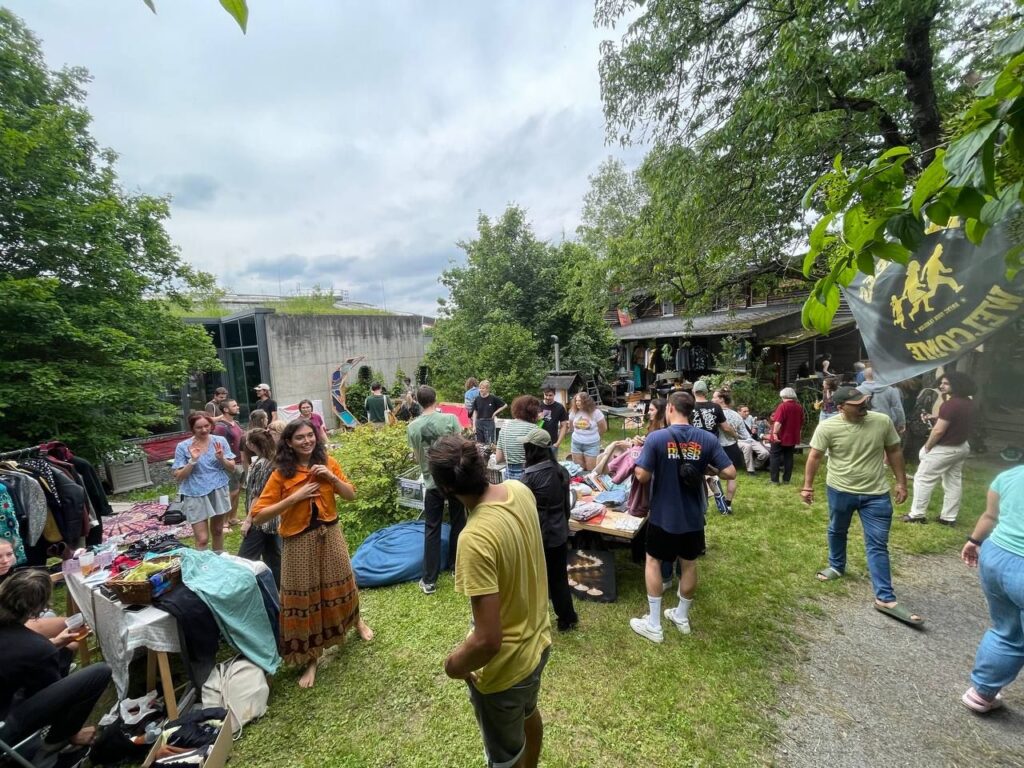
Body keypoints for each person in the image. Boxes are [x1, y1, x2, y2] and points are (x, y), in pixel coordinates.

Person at [428, 435, 551, 768]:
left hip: (505, 670)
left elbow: (487, 640)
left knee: (504, 758)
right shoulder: (519, 490)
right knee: (529, 711)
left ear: (445, 490)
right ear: (482, 465)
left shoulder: (474, 538)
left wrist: (454, 665)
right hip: (539, 643)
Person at [251, 419, 372, 689]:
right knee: (304, 596)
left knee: (343, 582)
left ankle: (356, 622)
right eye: (300, 438)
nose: (307, 441)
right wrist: (295, 497)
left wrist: (330, 478)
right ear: (289, 443)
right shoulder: (281, 473)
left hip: (330, 533)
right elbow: (258, 515)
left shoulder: (328, 462)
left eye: (310, 435)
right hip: (298, 541)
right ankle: (311, 657)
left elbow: (351, 494)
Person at [801, 386, 922, 626]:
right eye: (857, 404)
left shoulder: (882, 421)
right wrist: (807, 486)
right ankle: (836, 566)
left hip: (876, 494)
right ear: (840, 408)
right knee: (837, 529)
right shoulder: (828, 426)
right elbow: (814, 456)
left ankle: (885, 598)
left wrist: (901, 482)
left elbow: (894, 451)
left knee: (877, 544)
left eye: (865, 401)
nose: (863, 406)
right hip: (839, 490)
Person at [630, 391, 735, 643]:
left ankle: (654, 624)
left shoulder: (657, 438)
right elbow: (730, 472)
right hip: (693, 516)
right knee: (689, 563)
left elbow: (642, 476)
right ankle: (681, 616)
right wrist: (704, 468)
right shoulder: (707, 438)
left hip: (663, 515)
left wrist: (639, 463)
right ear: (690, 411)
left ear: (670, 410)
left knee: (653, 561)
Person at [0, 570, 113, 764]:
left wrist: (53, 644)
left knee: (65, 650)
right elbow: (55, 699)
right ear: (38, 609)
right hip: (5, 725)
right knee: (100, 672)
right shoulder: (35, 647)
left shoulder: (29, 643)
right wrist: (49, 650)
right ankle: (58, 741)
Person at [959, 464, 1024, 713]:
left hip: (996, 557)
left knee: (1007, 630)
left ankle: (982, 693)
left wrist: (974, 541)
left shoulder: (1009, 476)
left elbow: (990, 516)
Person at [406, 385, 465, 595]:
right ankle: (456, 567)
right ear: (435, 398)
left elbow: (416, 455)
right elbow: (461, 446)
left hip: (432, 483)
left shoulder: (412, 427)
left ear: (417, 401)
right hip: (455, 480)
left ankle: (429, 580)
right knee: (459, 522)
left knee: (432, 528)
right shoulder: (449, 420)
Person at [519, 428, 579, 632]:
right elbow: (566, 508)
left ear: (533, 450)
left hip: (538, 535)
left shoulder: (529, 477)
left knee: (534, 579)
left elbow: (523, 512)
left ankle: (532, 621)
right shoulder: (561, 471)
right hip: (559, 532)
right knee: (559, 578)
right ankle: (567, 618)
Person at [903, 371, 975, 526]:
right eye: (941, 383)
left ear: (958, 385)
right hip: (961, 447)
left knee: (923, 479)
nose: (941, 386)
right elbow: (956, 421)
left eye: (946, 383)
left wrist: (927, 447)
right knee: (953, 482)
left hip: (945, 448)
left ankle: (917, 515)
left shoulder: (950, 404)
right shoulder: (968, 402)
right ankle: (949, 518)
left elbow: (938, 431)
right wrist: (935, 418)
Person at [171, 411, 236, 552]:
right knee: (202, 539)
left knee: (218, 530)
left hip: (218, 488)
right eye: (199, 427)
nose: (204, 430)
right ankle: (203, 568)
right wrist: (192, 461)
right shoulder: (183, 446)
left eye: (207, 425)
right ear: (192, 429)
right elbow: (178, 475)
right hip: (195, 492)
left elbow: (232, 468)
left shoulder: (220, 441)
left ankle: (218, 562)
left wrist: (221, 459)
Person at [238, 428, 282, 587]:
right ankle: (278, 589)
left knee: (245, 558)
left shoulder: (262, 465)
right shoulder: (273, 460)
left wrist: (249, 520)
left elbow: (258, 495)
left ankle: (243, 588)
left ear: (251, 444)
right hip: (274, 518)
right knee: (273, 557)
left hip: (260, 519)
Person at [712, 389, 752, 512]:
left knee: (711, 476)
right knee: (732, 477)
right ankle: (728, 503)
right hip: (732, 447)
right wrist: (736, 436)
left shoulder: (712, 414)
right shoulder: (736, 415)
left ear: (721, 399)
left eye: (714, 397)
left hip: (716, 447)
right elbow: (745, 435)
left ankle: (719, 499)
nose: (712, 400)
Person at [213, 398, 246, 528]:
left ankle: (233, 518)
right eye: (234, 405)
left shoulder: (235, 423)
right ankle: (224, 522)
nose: (237, 407)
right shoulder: (220, 427)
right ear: (226, 409)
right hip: (229, 463)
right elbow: (218, 447)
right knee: (230, 493)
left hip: (239, 462)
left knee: (237, 491)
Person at [496, 396, 542, 480]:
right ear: (533, 412)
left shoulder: (504, 428)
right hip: (528, 477)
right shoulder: (534, 429)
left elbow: (499, 458)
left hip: (509, 478)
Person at [769, 387, 805, 484]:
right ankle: (786, 480)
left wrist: (775, 433)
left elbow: (778, 422)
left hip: (781, 436)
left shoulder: (783, 406)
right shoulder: (799, 407)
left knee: (775, 456)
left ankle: (774, 480)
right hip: (792, 436)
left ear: (783, 396)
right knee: (789, 457)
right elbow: (801, 422)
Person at [857, 368, 906, 436]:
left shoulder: (857, 390)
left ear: (864, 376)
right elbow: (897, 407)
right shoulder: (891, 390)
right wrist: (901, 423)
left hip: (864, 423)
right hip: (885, 423)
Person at [567, 392, 607, 471]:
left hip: (592, 445)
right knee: (578, 469)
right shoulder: (573, 412)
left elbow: (603, 428)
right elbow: (571, 427)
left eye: (580, 401)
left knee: (590, 470)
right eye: (576, 401)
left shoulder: (596, 412)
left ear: (587, 402)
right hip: (576, 444)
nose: (577, 403)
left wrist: (593, 436)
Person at [469, 380, 507, 445]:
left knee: (490, 443)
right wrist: (474, 426)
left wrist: (495, 413)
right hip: (479, 422)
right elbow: (475, 412)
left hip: (489, 422)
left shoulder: (493, 398)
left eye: (483, 388)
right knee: (479, 443)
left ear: (487, 389)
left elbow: (505, 405)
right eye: (480, 388)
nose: (481, 390)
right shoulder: (477, 399)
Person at [539, 388, 569, 459]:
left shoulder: (559, 407)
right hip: (538, 442)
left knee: (552, 465)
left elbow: (563, 426)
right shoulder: (537, 405)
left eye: (550, 395)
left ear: (554, 395)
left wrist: (558, 443)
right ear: (543, 394)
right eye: (546, 395)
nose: (548, 397)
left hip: (552, 442)